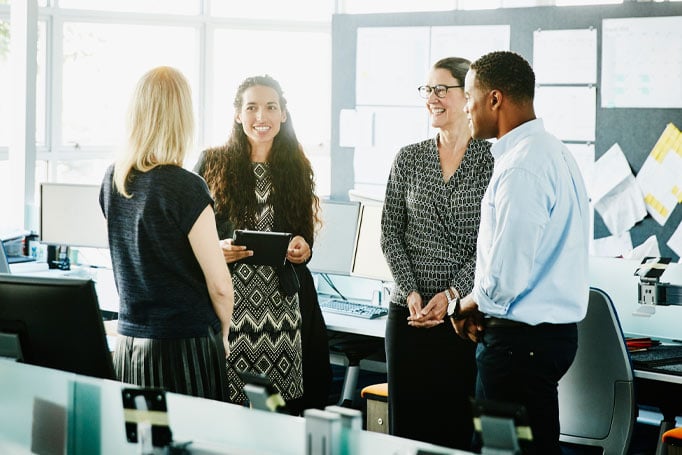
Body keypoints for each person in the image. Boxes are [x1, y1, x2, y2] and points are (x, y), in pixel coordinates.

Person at [452, 51, 590, 454]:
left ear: (495, 99)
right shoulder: (553, 152)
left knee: (503, 452)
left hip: (519, 348)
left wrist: (464, 306)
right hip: (540, 341)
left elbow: (505, 277)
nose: (466, 109)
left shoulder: (521, 168)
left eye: (469, 97)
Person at [99, 66, 234, 401]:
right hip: (183, 347)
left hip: (130, 343)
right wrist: (225, 335)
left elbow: (145, 247)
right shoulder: (185, 186)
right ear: (182, 117)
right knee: (193, 443)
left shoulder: (113, 178)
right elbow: (219, 286)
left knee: (144, 440)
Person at [380, 57, 494, 450]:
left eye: (441, 89)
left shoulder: (491, 162)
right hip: (407, 315)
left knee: (454, 430)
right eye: (427, 89)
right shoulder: (408, 158)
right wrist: (411, 292)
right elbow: (390, 231)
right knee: (405, 431)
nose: (431, 98)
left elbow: (491, 246)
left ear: (467, 97)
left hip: (461, 317)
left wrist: (449, 297)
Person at [194, 74, 324, 414]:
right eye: (251, 108)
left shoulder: (296, 168)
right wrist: (216, 248)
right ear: (238, 114)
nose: (261, 117)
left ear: (283, 114)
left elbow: (304, 237)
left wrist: (302, 247)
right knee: (227, 406)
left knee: (279, 410)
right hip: (229, 304)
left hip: (282, 310)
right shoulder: (211, 163)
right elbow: (190, 232)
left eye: (270, 107)